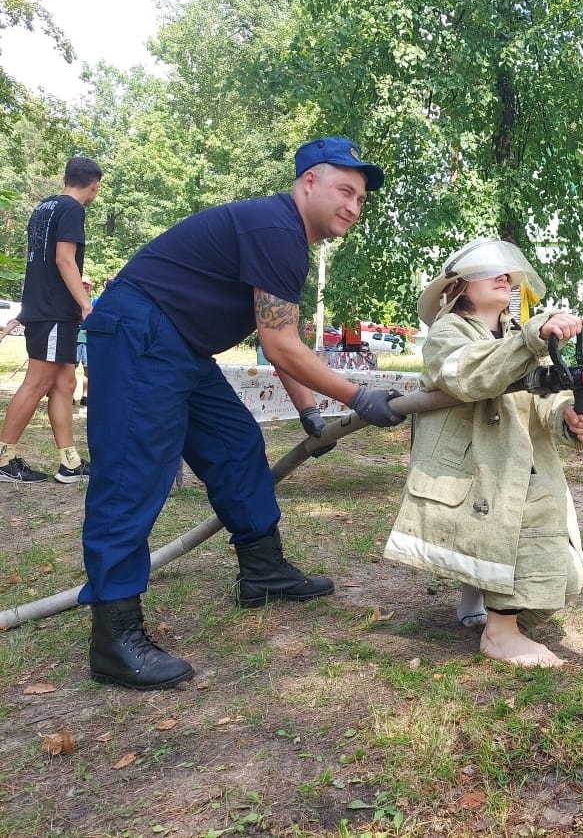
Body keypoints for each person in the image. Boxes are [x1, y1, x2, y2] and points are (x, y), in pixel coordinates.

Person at [79, 136, 407, 691]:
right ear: (308, 182)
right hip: (141, 331)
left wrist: (310, 416)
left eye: (361, 198)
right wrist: (357, 397)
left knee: (235, 445)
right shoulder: (279, 230)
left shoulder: (282, 234)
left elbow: (281, 335)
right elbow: (281, 346)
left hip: (179, 345)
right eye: (345, 190)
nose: (354, 205)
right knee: (134, 476)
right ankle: (114, 636)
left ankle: (264, 573)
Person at [383, 238, 583, 668]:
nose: (505, 277)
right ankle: (500, 633)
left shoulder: (518, 338)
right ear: (457, 287)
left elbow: (540, 400)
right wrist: (535, 338)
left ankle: (480, 589)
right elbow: (471, 375)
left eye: (508, 272)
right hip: (475, 470)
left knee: (561, 574)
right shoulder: (446, 334)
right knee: (524, 513)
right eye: (490, 271)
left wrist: (570, 419)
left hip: (517, 461)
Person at [0, 156, 102, 484]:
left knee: (65, 383)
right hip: (54, 310)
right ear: (94, 186)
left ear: (65, 178)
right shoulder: (73, 209)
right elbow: (64, 259)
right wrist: (86, 304)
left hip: (46, 308)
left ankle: (69, 463)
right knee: (38, 381)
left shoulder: (44, 207)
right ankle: (4, 457)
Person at [75, 275, 93, 406]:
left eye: (87, 286)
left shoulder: (94, 302)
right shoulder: (73, 302)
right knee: (70, 368)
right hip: (74, 340)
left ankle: (85, 396)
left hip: (88, 341)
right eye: (82, 286)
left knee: (88, 370)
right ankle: (69, 395)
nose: (85, 288)